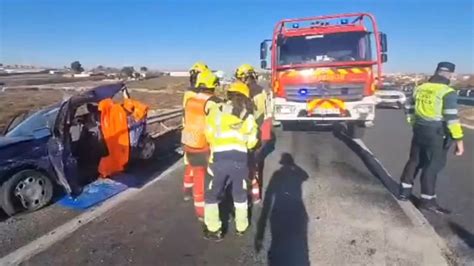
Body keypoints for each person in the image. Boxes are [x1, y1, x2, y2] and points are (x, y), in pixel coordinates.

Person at [399, 62, 464, 214]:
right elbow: (451, 119)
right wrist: (459, 141)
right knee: (432, 166)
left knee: (414, 161)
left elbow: (408, 106)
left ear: (436, 71)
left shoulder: (420, 88)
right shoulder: (447, 92)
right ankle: (427, 201)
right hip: (437, 132)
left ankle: (403, 192)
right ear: (450, 75)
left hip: (419, 129)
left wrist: (413, 122)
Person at [203, 82, 259, 241]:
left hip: (220, 158)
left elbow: (209, 134)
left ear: (229, 94)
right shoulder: (247, 115)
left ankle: (215, 230)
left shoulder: (217, 111)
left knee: (213, 194)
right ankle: (241, 227)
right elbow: (253, 141)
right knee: (239, 193)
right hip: (240, 159)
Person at [181, 70, 222, 220]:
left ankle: (198, 209)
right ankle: (207, 210)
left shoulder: (190, 100)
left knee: (196, 174)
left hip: (189, 141)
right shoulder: (214, 102)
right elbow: (217, 127)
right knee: (209, 178)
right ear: (213, 85)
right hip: (204, 144)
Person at [235, 64, 271, 204]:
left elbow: (243, 115)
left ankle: (249, 195)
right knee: (255, 164)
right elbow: (267, 114)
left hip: (249, 132)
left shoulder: (246, 92)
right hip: (259, 132)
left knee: (247, 165)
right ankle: (255, 194)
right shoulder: (261, 91)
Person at [181, 62, 210, 200]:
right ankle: (198, 194)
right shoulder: (198, 96)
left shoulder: (188, 93)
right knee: (199, 167)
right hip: (199, 133)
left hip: (187, 131)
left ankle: (187, 190)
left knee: (189, 163)